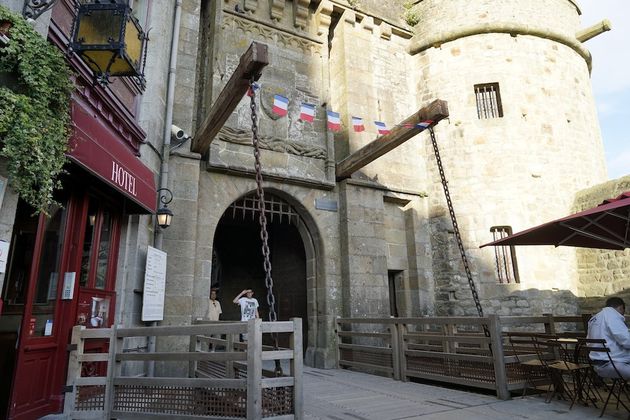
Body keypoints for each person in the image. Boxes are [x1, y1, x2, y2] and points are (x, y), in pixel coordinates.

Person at [586, 296, 630, 379]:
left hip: (597, 365)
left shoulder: (594, 318)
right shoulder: (612, 315)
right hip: (613, 364)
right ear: (621, 308)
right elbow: (627, 341)